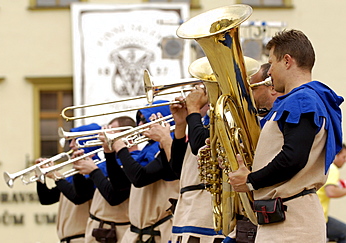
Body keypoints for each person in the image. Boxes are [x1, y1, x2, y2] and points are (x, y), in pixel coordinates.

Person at [228, 29, 343, 242]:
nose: (269, 71)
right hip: (286, 220)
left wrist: (250, 180)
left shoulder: (302, 100)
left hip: (292, 224)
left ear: (287, 61)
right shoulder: (302, 100)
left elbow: (293, 157)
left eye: (271, 63)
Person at [100, 100, 180, 243]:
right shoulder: (147, 149)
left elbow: (139, 178)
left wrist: (121, 148)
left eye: (145, 119)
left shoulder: (168, 147)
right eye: (139, 120)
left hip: (159, 233)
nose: (140, 125)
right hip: (138, 233)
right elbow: (120, 184)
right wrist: (109, 154)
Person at [167, 85, 226, 243]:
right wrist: (180, 124)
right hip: (187, 211)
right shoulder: (198, 126)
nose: (194, 95)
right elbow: (177, 168)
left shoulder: (224, 119)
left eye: (202, 89)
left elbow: (199, 144)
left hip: (207, 213)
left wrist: (193, 109)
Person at [67, 116, 140, 243]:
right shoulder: (106, 162)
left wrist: (94, 171)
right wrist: (78, 170)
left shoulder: (134, 160)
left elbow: (114, 197)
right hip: (96, 231)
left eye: (112, 131)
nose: (106, 135)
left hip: (116, 233)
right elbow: (82, 194)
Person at [36, 123, 102, 243]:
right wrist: (40, 178)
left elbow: (77, 197)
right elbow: (47, 198)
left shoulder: (96, 171)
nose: (71, 145)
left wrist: (56, 175)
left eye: (75, 140)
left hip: (83, 238)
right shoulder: (72, 175)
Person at [317, 144, 346, 243]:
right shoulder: (333, 168)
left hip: (316, 215)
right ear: (336, 155)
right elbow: (331, 192)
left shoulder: (324, 166)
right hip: (319, 219)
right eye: (344, 157)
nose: (345, 160)